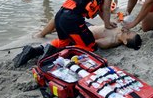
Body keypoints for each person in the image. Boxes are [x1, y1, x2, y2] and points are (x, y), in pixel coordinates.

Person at [13, 24, 142, 68]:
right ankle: (42, 42)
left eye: (129, 34)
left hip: (82, 33)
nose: (127, 31)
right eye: (130, 31)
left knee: (63, 44)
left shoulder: (111, 41)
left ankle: (36, 50)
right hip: (84, 27)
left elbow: (93, 43)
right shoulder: (119, 31)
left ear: (125, 42)